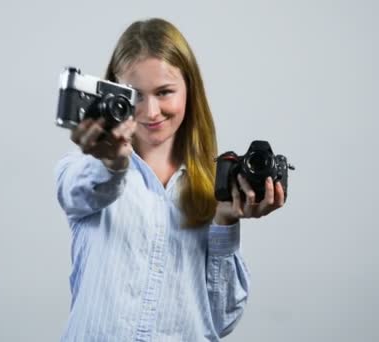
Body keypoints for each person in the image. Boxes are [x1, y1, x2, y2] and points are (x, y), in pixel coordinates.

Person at [55, 18, 285, 342]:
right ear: (114, 93)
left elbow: (220, 321)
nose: (150, 112)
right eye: (134, 95)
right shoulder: (85, 164)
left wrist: (225, 222)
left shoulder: (214, 185)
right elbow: (73, 193)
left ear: (189, 90)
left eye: (164, 92)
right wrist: (112, 165)